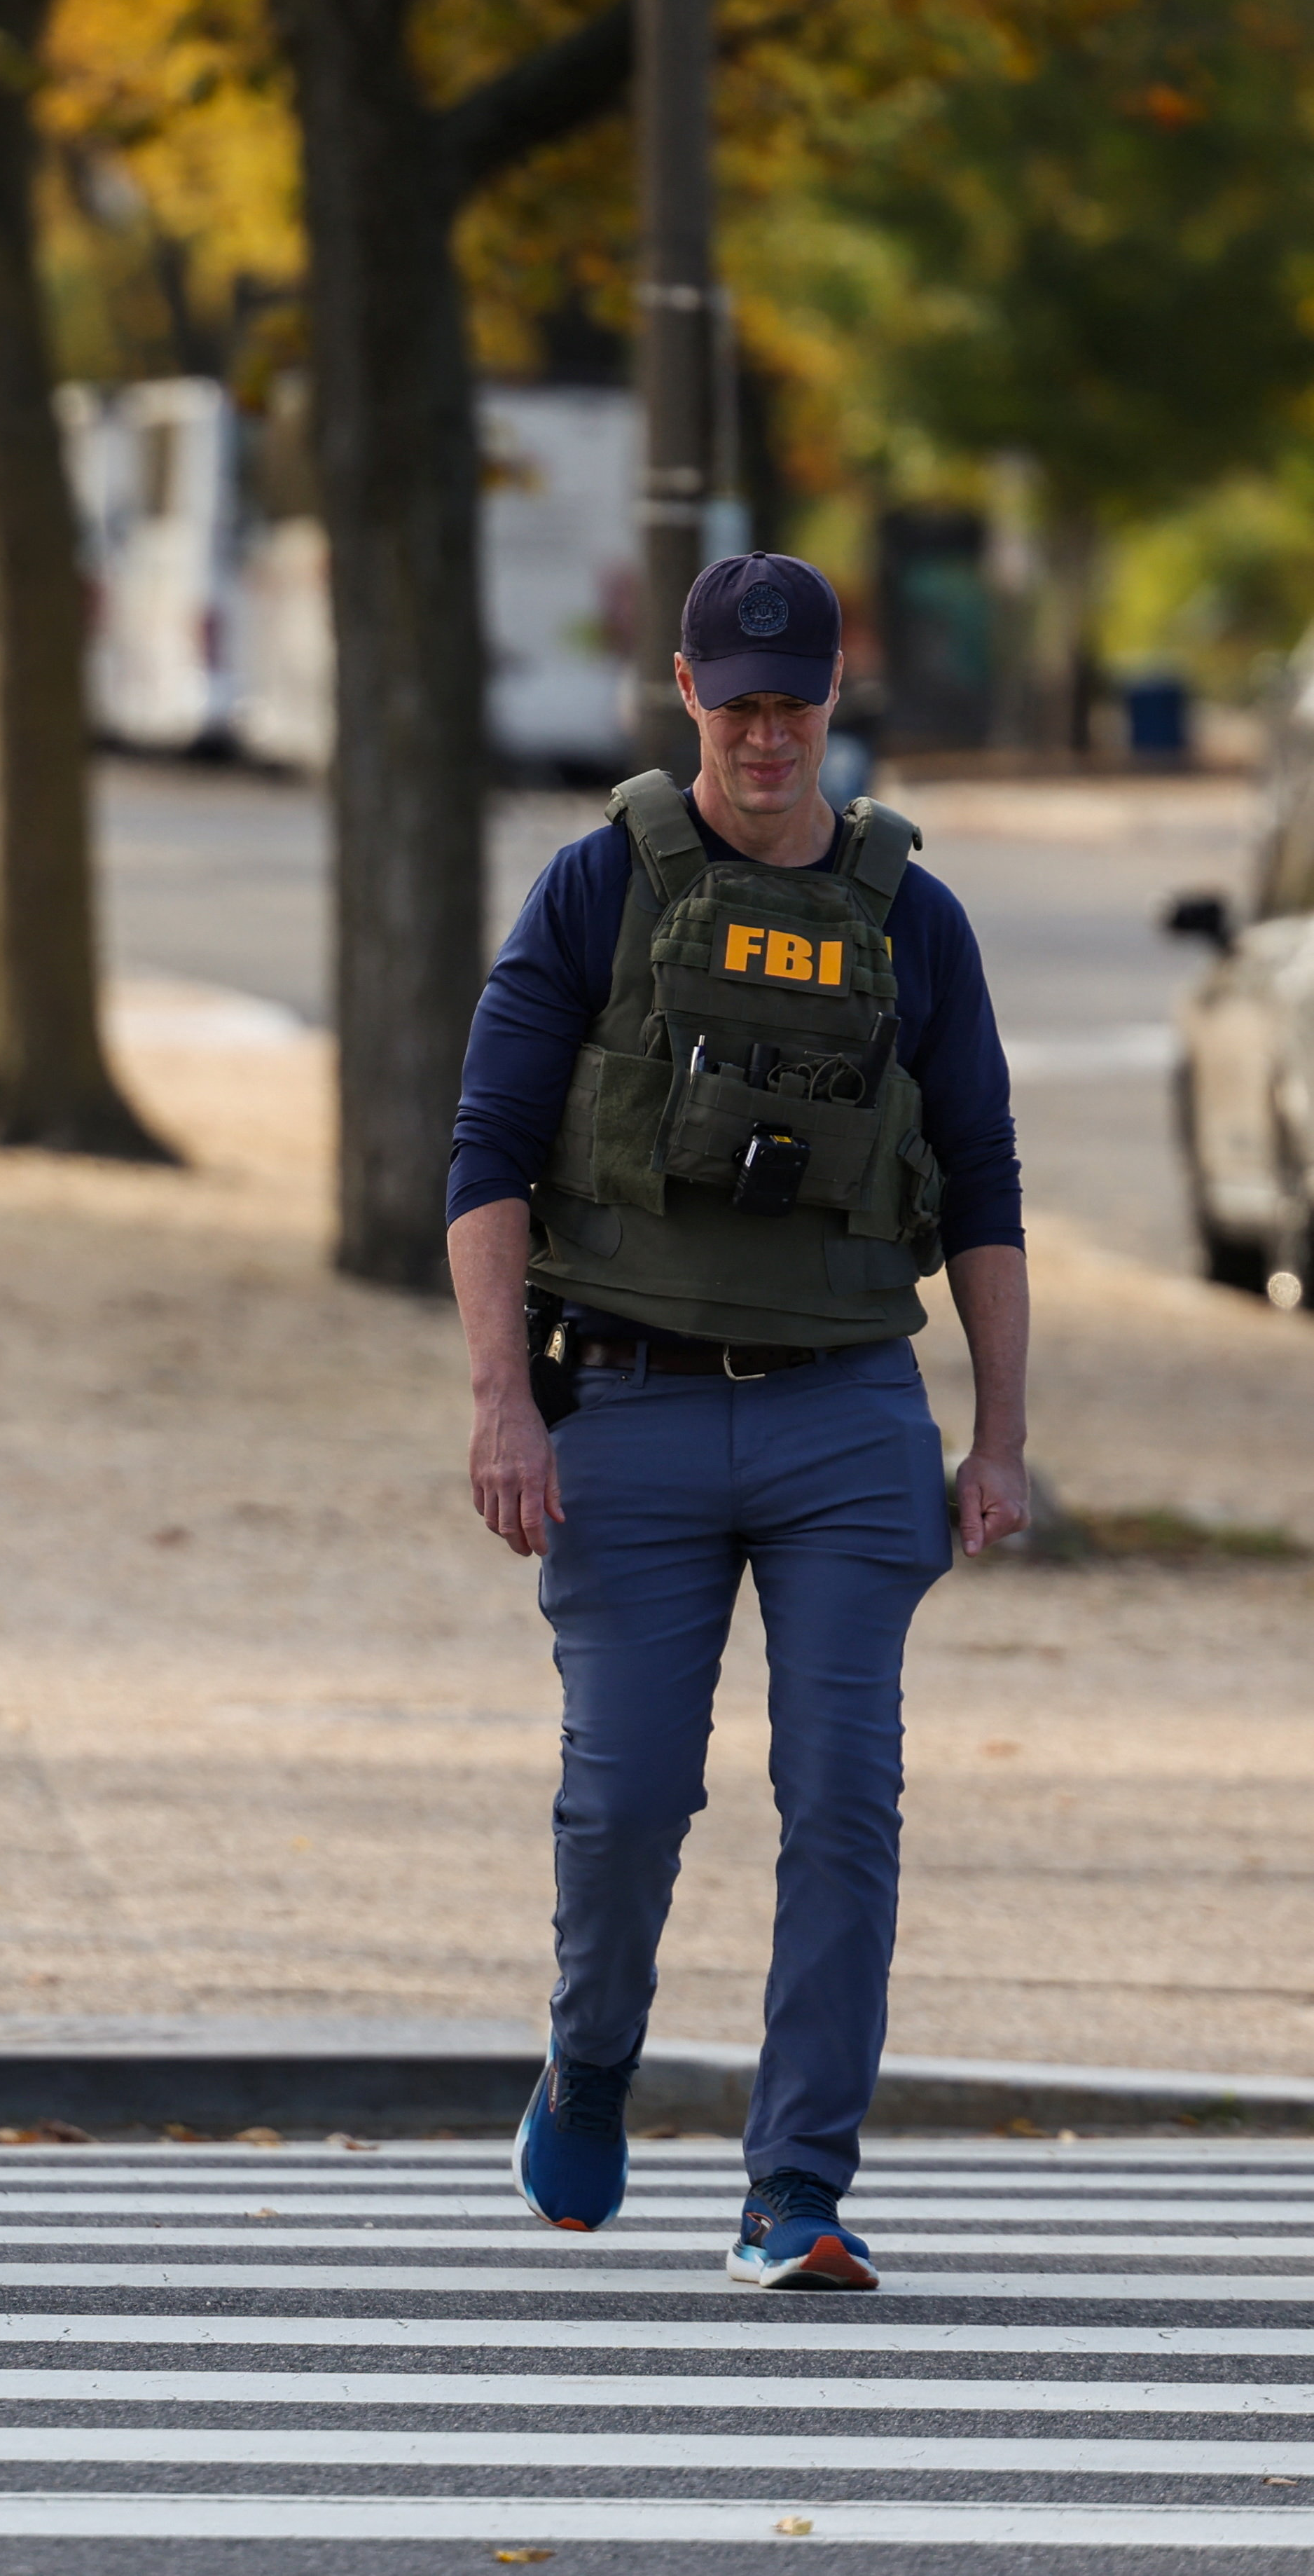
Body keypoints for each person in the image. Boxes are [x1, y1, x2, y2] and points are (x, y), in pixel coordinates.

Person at [450, 551, 1031, 2293]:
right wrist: (501, 1404)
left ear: (828, 707)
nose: (765, 733)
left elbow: (986, 1185)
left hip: (846, 1415)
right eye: (736, 700)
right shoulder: (593, 889)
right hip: (621, 1402)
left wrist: (995, 1434)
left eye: (793, 703)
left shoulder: (908, 916)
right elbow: (483, 1157)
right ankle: (591, 2058)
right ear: (685, 697)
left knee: (842, 1793)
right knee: (625, 1800)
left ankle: (794, 2187)